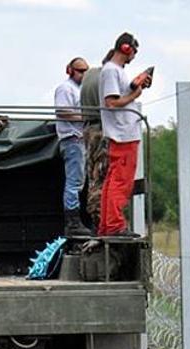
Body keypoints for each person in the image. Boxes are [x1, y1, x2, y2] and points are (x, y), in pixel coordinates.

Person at [98, 32, 151, 237]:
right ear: (127, 48)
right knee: (120, 183)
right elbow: (111, 102)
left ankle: (107, 225)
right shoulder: (112, 71)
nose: (134, 56)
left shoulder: (113, 70)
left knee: (113, 181)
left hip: (121, 133)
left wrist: (133, 88)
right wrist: (134, 95)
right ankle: (114, 225)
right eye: (134, 51)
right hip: (123, 133)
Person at [55, 57, 92, 236]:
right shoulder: (65, 88)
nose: (84, 74)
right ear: (70, 71)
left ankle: (76, 219)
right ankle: (72, 221)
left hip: (80, 139)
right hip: (72, 138)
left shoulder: (80, 90)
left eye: (86, 71)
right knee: (74, 181)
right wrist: (85, 117)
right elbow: (62, 111)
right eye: (80, 71)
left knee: (79, 180)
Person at [81, 49, 114, 228]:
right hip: (101, 129)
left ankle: (96, 219)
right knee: (102, 176)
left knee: (92, 176)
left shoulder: (89, 75)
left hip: (88, 129)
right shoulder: (105, 77)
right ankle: (102, 221)